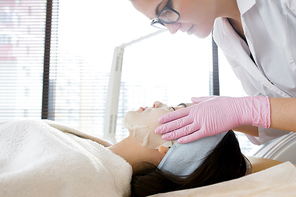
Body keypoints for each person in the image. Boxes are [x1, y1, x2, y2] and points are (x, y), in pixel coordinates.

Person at [129, 0, 296, 145]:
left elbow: (262, 111)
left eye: (166, 9)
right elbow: (275, 125)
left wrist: (243, 110)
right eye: (159, 21)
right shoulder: (222, 34)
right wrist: (197, 112)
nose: (171, 29)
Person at [0, 101, 248, 197]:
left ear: (168, 145)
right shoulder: (92, 153)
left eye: (172, 109)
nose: (157, 103)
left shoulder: (84, 174)